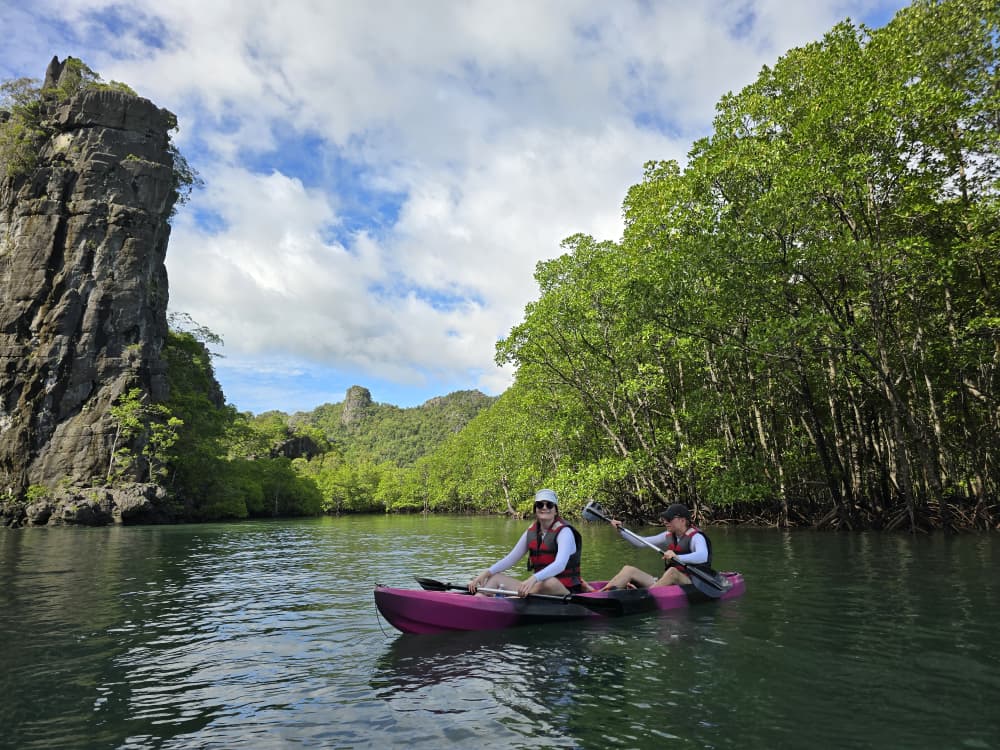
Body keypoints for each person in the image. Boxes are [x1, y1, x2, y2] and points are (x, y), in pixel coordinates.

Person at [468, 489, 593, 597]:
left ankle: (507, 601)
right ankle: (477, 600)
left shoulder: (565, 532)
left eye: (549, 505)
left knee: (549, 582)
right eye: (540, 505)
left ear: (555, 511)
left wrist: (534, 578)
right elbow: (511, 558)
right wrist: (486, 573)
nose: (544, 508)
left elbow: (560, 565)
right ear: (535, 510)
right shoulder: (531, 532)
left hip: (564, 591)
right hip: (537, 587)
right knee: (495, 577)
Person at [597, 503, 714, 591]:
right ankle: (601, 595)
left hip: (695, 583)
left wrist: (677, 556)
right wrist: (621, 530)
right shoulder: (667, 535)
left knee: (672, 571)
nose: (665, 522)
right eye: (665, 519)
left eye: (669, 519)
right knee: (629, 569)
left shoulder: (696, 537)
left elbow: (702, 556)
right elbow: (641, 542)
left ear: (683, 520)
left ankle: (646, 595)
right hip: (669, 582)